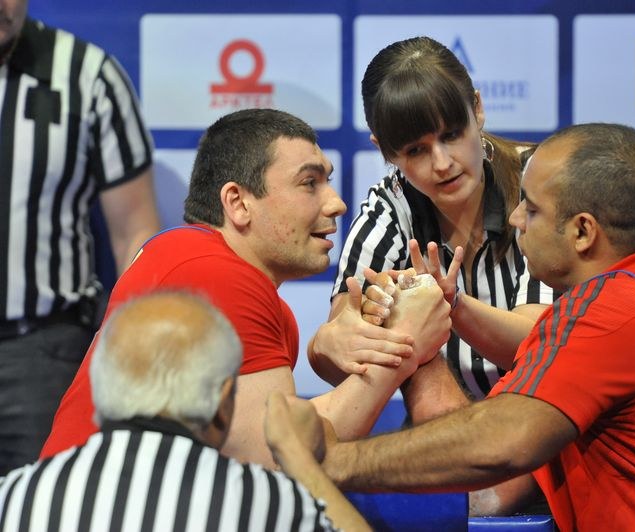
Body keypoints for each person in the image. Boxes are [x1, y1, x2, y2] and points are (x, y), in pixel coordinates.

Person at [318, 123, 635, 531]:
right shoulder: (627, 301)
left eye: (531, 210)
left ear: (582, 232)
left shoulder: (609, 317)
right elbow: (487, 458)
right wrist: (427, 335)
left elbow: (497, 448)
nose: (515, 220)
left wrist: (331, 459)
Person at [40, 108, 451, 469]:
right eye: (310, 183)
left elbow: (261, 451)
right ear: (237, 202)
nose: (336, 203)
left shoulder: (196, 260)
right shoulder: (210, 270)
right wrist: (403, 346)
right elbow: (277, 462)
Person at [308, 35, 555, 515]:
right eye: (417, 150)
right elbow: (337, 344)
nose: (441, 163)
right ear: (385, 150)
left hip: (545, 420)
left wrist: (449, 308)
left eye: (450, 135)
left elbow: (535, 345)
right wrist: (348, 335)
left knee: (417, 315)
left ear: (477, 110)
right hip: (444, 429)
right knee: (409, 326)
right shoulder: (390, 205)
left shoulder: (543, 184)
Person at [0, 291, 368, 531]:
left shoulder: (15, 497)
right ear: (225, 402)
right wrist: (302, 464)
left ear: (100, 388)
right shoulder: (265, 502)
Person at [0, 0, 160, 475]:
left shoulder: (88, 76)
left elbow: (135, 232)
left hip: (44, 352)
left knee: (45, 511)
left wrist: (129, 354)